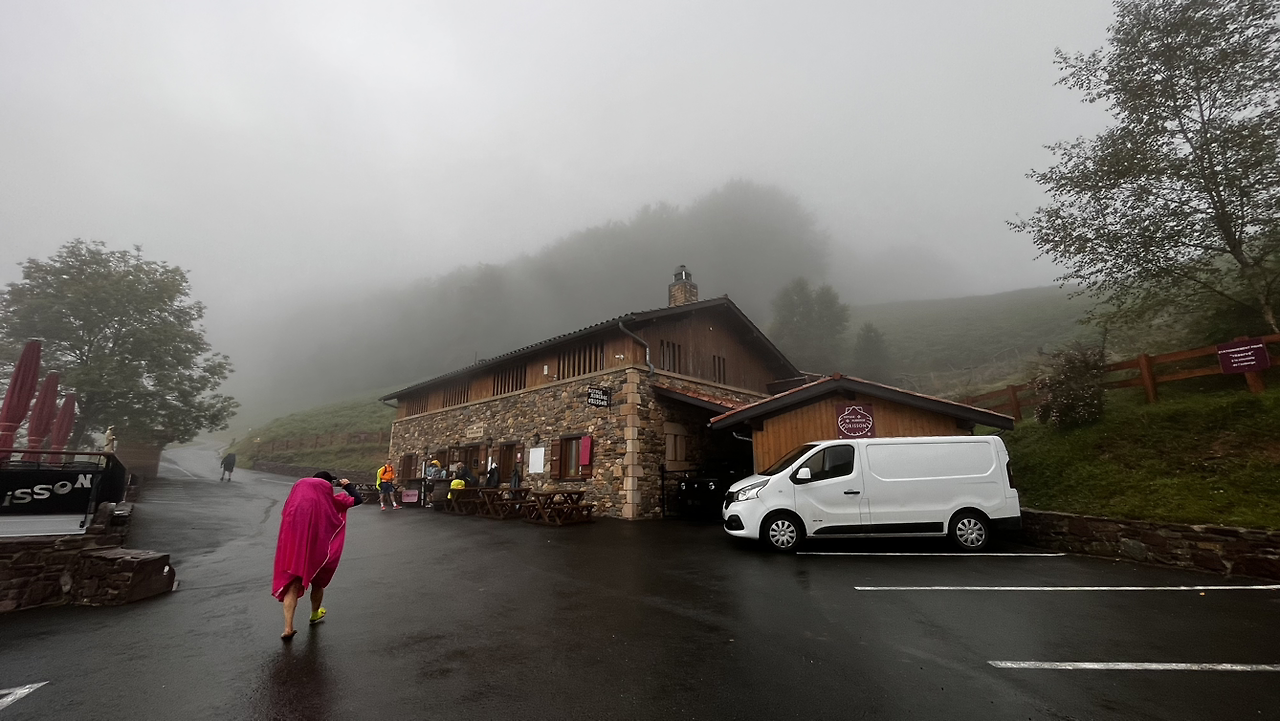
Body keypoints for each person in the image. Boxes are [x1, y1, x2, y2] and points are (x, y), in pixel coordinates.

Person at [273, 471, 363, 640]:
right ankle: (315, 613)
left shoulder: (295, 502)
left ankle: (288, 628)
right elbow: (357, 499)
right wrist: (348, 486)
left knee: (293, 585)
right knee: (318, 583)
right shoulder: (331, 502)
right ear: (327, 485)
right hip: (319, 552)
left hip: (297, 551)